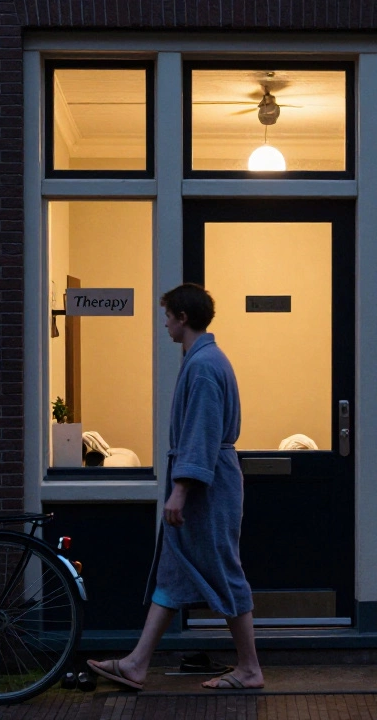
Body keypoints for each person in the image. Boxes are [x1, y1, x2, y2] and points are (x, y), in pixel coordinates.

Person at [87, 283, 263, 691]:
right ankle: (137, 663)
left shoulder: (203, 366)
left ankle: (250, 668)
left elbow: (201, 431)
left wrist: (180, 491)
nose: (164, 323)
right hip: (208, 481)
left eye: (167, 316)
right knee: (172, 572)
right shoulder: (204, 360)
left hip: (207, 489)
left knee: (223, 569)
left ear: (183, 318)